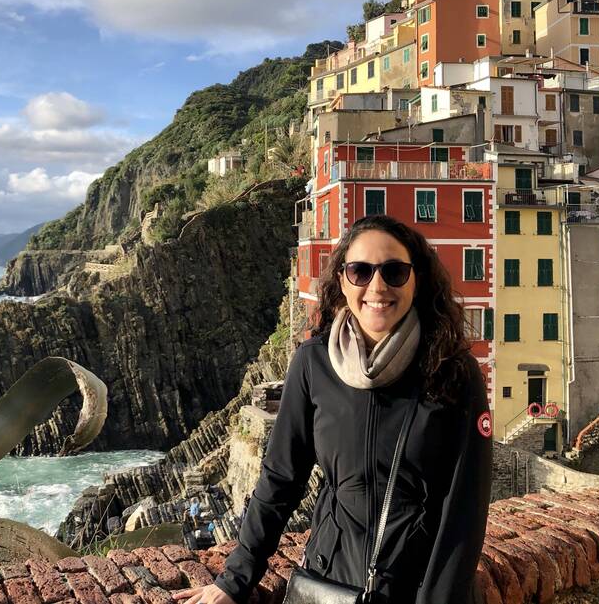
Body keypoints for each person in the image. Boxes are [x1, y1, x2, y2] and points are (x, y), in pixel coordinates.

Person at [174, 215, 492, 604]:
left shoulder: (453, 371)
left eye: (394, 271)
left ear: (416, 279)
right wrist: (234, 580)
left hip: (417, 588)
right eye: (360, 271)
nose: (377, 286)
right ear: (343, 281)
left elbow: (465, 508)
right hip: (328, 583)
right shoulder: (314, 364)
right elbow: (280, 480)